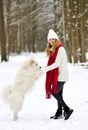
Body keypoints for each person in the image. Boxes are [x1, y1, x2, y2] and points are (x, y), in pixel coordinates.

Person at [42, 29, 73, 120]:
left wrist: (46, 69)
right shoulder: (53, 49)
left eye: (53, 39)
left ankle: (67, 109)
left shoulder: (60, 49)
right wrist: (45, 68)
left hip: (62, 75)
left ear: (56, 39)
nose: (52, 41)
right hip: (58, 75)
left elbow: (57, 63)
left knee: (54, 92)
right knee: (59, 94)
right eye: (50, 39)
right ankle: (59, 112)